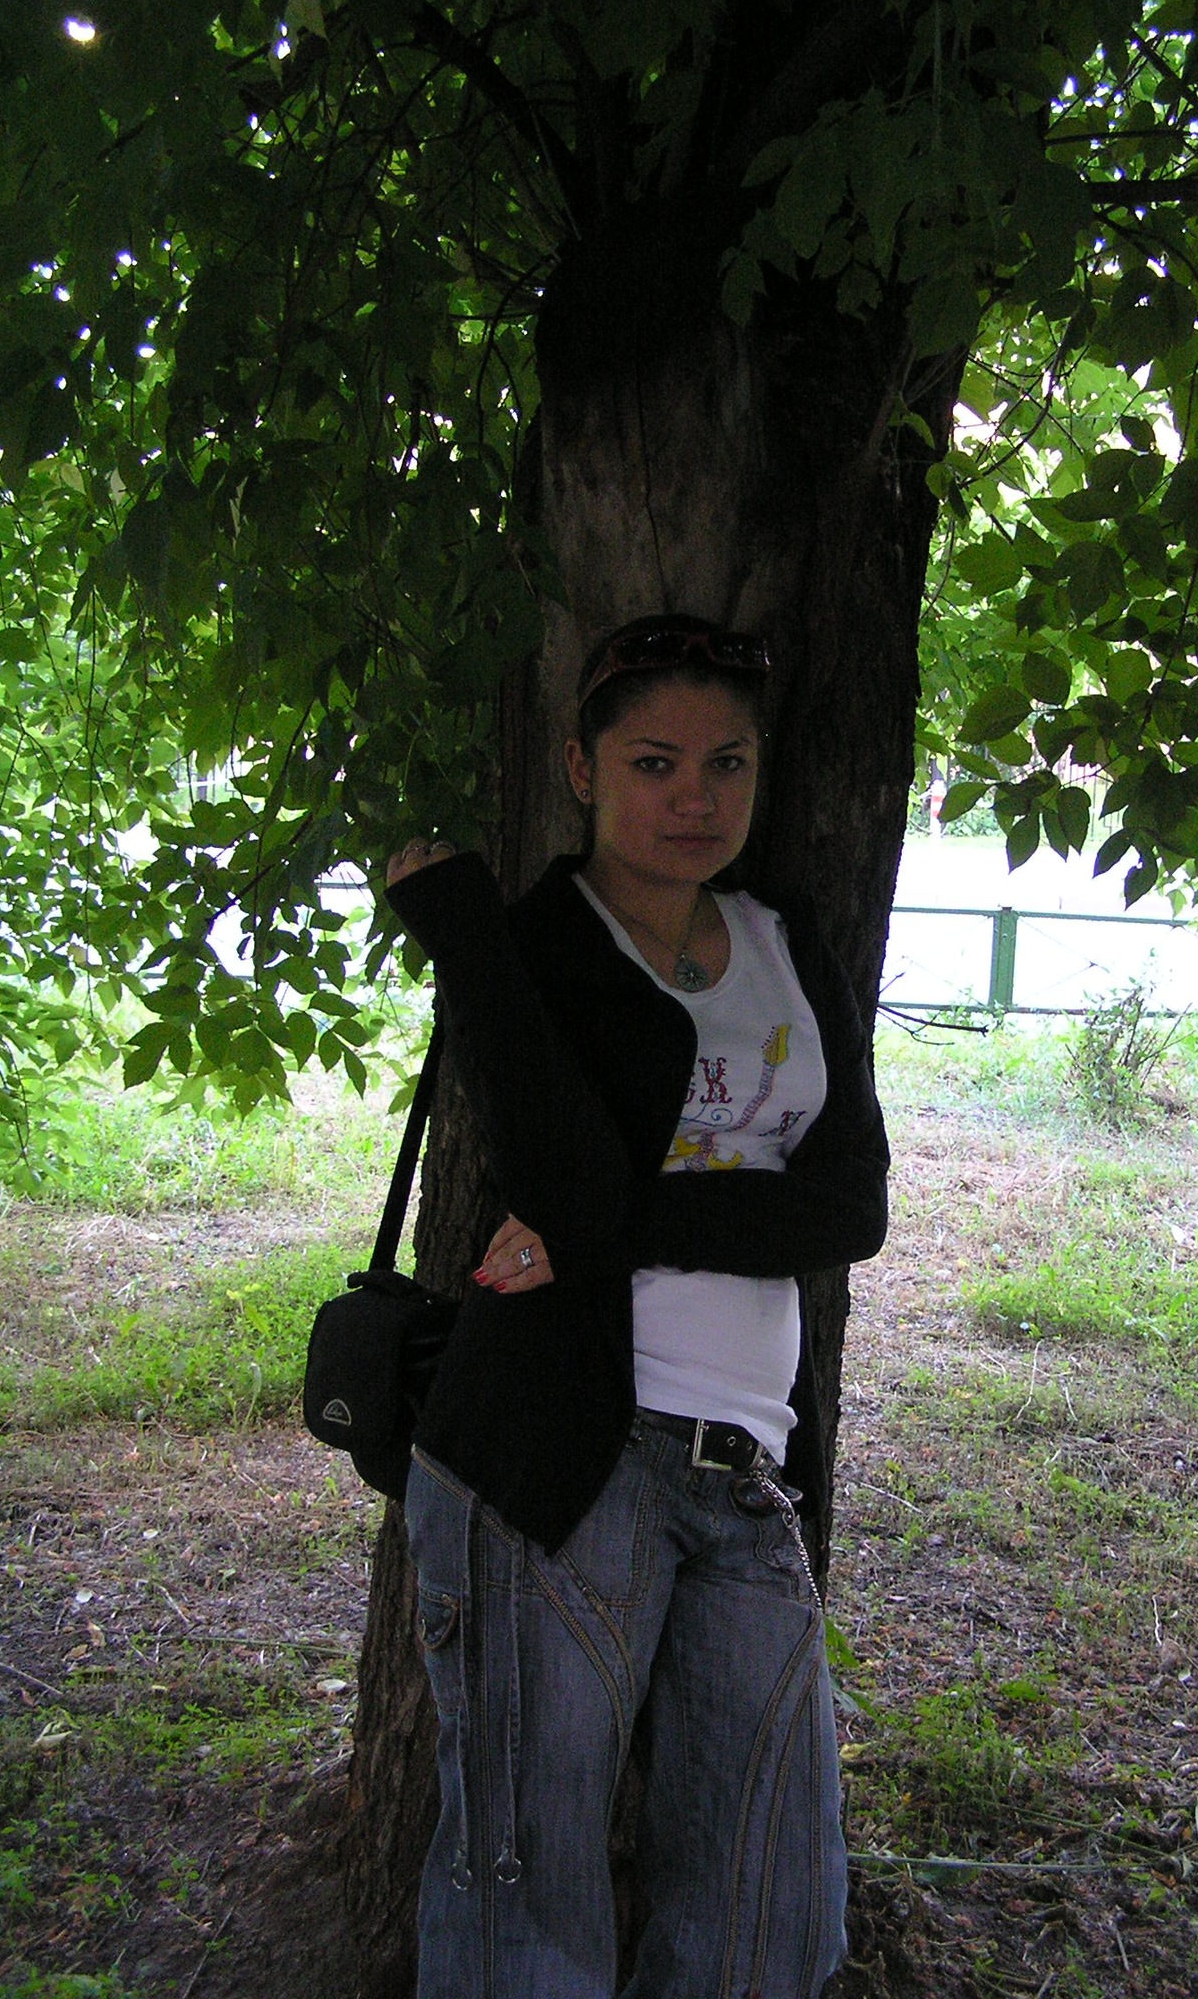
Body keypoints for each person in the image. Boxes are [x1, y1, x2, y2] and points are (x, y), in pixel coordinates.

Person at [384, 613, 890, 1999]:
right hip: (559, 1463)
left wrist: (612, 1228)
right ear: (582, 770)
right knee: (525, 1905)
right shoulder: (537, 945)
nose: (695, 798)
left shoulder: (788, 946)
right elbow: (557, 1176)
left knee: (767, 1910)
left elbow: (849, 1211)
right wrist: (464, 940)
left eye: (727, 764)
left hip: (747, 1470)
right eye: (653, 762)